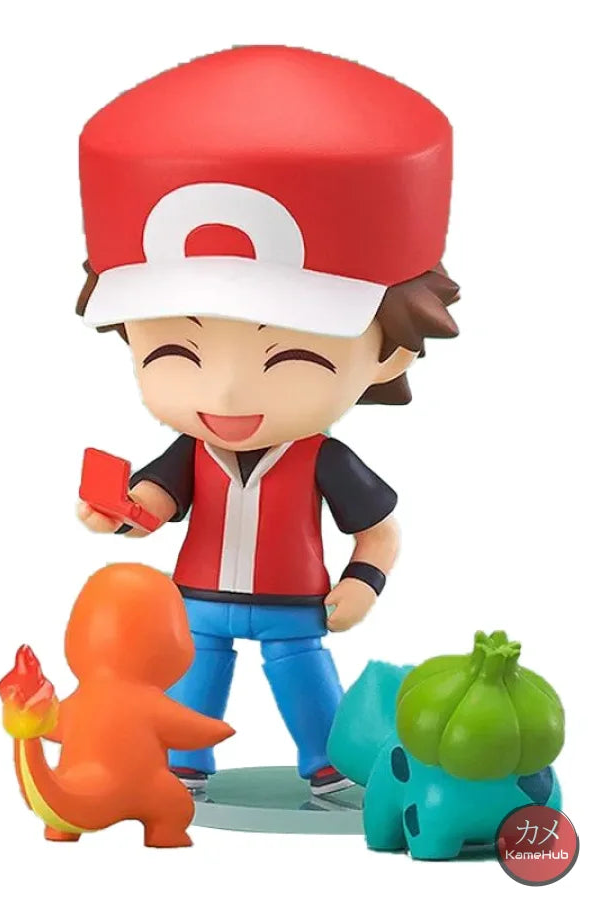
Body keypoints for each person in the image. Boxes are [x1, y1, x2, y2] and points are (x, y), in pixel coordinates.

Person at [74, 46, 460, 795]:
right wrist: (119, 515)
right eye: (177, 351)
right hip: (197, 599)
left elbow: (378, 530)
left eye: (290, 357)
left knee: (304, 675)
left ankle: (331, 764)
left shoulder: (323, 459)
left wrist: (363, 583)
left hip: (293, 602)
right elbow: (156, 502)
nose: (224, 391)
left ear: (390, 353)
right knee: (192, 674)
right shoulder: (191, 451)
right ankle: (182, 763)